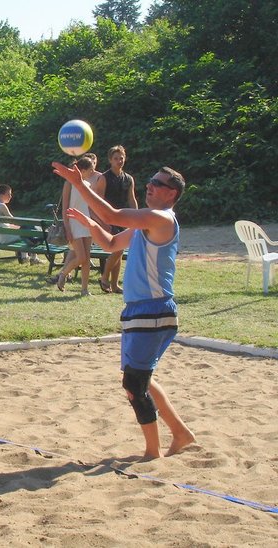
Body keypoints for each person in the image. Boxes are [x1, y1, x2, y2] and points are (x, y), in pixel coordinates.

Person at [52, 160, 195, 460]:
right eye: (150, 181)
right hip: (139, 312)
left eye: (158, 184)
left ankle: (152, 452)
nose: (150, 186)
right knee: (142, 379)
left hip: (154, 312)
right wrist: (91, 226)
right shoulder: (145, 225)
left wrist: (80, 184)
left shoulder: (162, 219)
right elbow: (112, 242)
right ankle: (180, 433)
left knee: (134, 383)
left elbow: (113, 214)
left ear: (171, 195)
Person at [94, 145, 137, 294]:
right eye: (116, 158)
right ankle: (104, 277)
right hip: (109, 217)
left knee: (119, 251)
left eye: (121, 158)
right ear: (110, 160)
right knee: (118, 249)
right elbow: (97, 200)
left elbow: (132, 200)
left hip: (125, 218)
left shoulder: (129, 179)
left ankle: (114, 284)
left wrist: (137, 218)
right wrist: (102, 221)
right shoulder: (104, 178)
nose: (119, 161)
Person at [56, 156, 95, 296]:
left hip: (86, 222)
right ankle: (63, 274)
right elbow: (65, 208)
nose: (93, 172)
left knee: (87, 258)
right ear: (82, 170)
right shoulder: (69, 183)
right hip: (73, 223)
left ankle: (84, 289)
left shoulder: (89, 185)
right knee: (81, 257)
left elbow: (90, 207)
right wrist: (67, 228)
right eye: (91, 169)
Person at [0, 184, 42, 265]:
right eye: (8, 194)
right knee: (29, 234)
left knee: (24, 232)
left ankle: (25, 257)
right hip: (5, 238)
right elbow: (13, 220)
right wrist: (25, 225)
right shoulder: (2, 206)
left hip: (0, 237)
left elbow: (5, 223)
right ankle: (33, 258)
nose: (10, 196)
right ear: (1, 195)